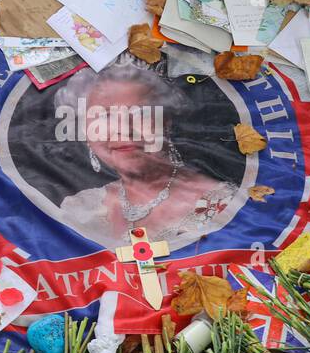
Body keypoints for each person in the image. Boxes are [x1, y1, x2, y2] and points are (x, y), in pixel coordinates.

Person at [51, 58, 242, 249]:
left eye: (139, 112)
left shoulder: (220, 203)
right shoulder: (80, 208)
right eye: (104, 115)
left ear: (166, 121)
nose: (123, 128)